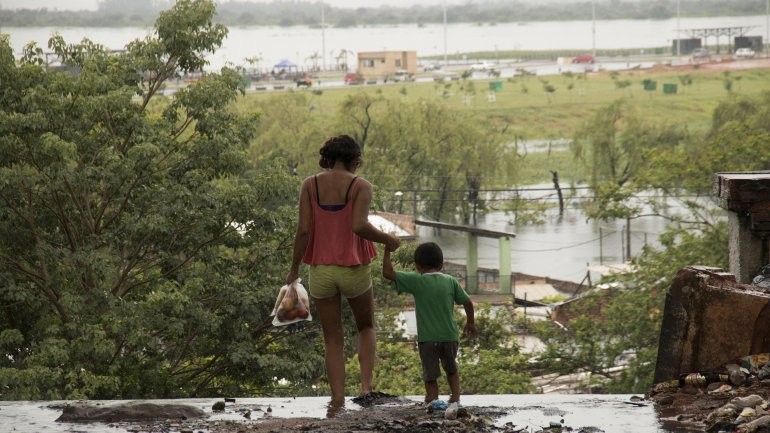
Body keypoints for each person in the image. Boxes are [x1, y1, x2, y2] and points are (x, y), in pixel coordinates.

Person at [285, 134, 401, 412]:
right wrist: (387, 239)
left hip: (321, 272)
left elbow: (302, 230)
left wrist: (293, 268)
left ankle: (337, 399)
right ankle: (365, 389)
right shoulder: (361, 186)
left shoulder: (309, 185)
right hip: (354, 269)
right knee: (366, 326)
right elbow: (359, 226)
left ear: (328, 157)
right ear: (355, 160)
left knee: (332, 338)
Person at [382, 241, 476, 415]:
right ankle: (455, 400)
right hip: (450, 336)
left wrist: (387, 250)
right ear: (441, 264)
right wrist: (470, 322)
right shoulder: (450, 281)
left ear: (417, 266)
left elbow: (388, 273)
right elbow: (468, 302)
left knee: (430, 374)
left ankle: (434, 401)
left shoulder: (417, 280)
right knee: (451, 369)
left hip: (428, 339)